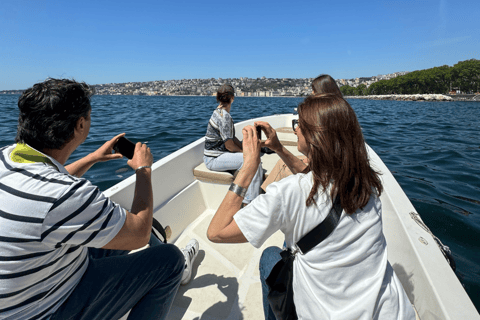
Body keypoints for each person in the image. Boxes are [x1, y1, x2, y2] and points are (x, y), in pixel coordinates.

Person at [0, 78, 199, 320]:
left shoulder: (8, 157)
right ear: (80, 124)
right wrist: (143, 169)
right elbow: (139, 235)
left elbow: (47, 184)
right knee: (170, 259)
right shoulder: (66, 195)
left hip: (24, 294)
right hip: (45, 310)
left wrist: (92, 157)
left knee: (111, 226)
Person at [206, 94, 416, 319]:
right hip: (393, 312)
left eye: (299, 125)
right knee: (294, 240)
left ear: (315, 138)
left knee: (270, 256)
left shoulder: (290, 193)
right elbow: (317, 177)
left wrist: (249, 167)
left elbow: (217, 232)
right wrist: (278, 148)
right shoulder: (368, 181)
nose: (295, 129)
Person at [260, 74, 342, 192]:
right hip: (330, 171)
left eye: (313, 92)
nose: (311, 95)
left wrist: (279, 148)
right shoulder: (340, 114)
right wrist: (310, 160)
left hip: (325, 181)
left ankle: (263, 197)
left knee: (282, 165)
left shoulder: (324, 119)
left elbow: (319, 170)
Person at [203, 84, 263, 206]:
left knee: (251, 156)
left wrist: (243, 147)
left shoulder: (218, 112)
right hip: (214, 159)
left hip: (213, 156)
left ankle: (251, 197)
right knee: (254, 161)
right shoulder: (224, 117)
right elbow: (230, 146)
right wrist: (247, 153)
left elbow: (231, 138)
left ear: (218, 98)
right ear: (232, 98)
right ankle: (250, 202)